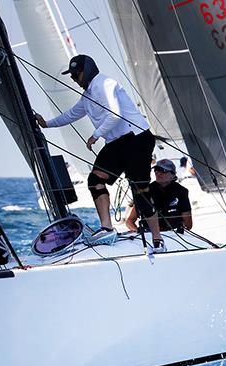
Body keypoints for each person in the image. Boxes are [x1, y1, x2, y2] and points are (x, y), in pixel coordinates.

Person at [34, 55, 165, 252]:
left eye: (75, 74)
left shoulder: (105, 84)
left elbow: (115, 113)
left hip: (137, 138)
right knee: (95, 179)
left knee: (141, 191)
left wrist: (95, 135)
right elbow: (71, 114)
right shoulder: (87, 97)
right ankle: (107, 228)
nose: (74, 79)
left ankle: (157, 239)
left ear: (86, 71)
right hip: (117, 143)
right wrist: (46, 124)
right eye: (72, 75)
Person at [125, 159, 192, 234]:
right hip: (151, 236)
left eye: (163, 170)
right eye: (156, 170)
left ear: (173, 174)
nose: (158, 173)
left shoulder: (181, 191)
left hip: (174, 235)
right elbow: (129, 221)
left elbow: (188, 224)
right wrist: (138, 232)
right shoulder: (145, 191)